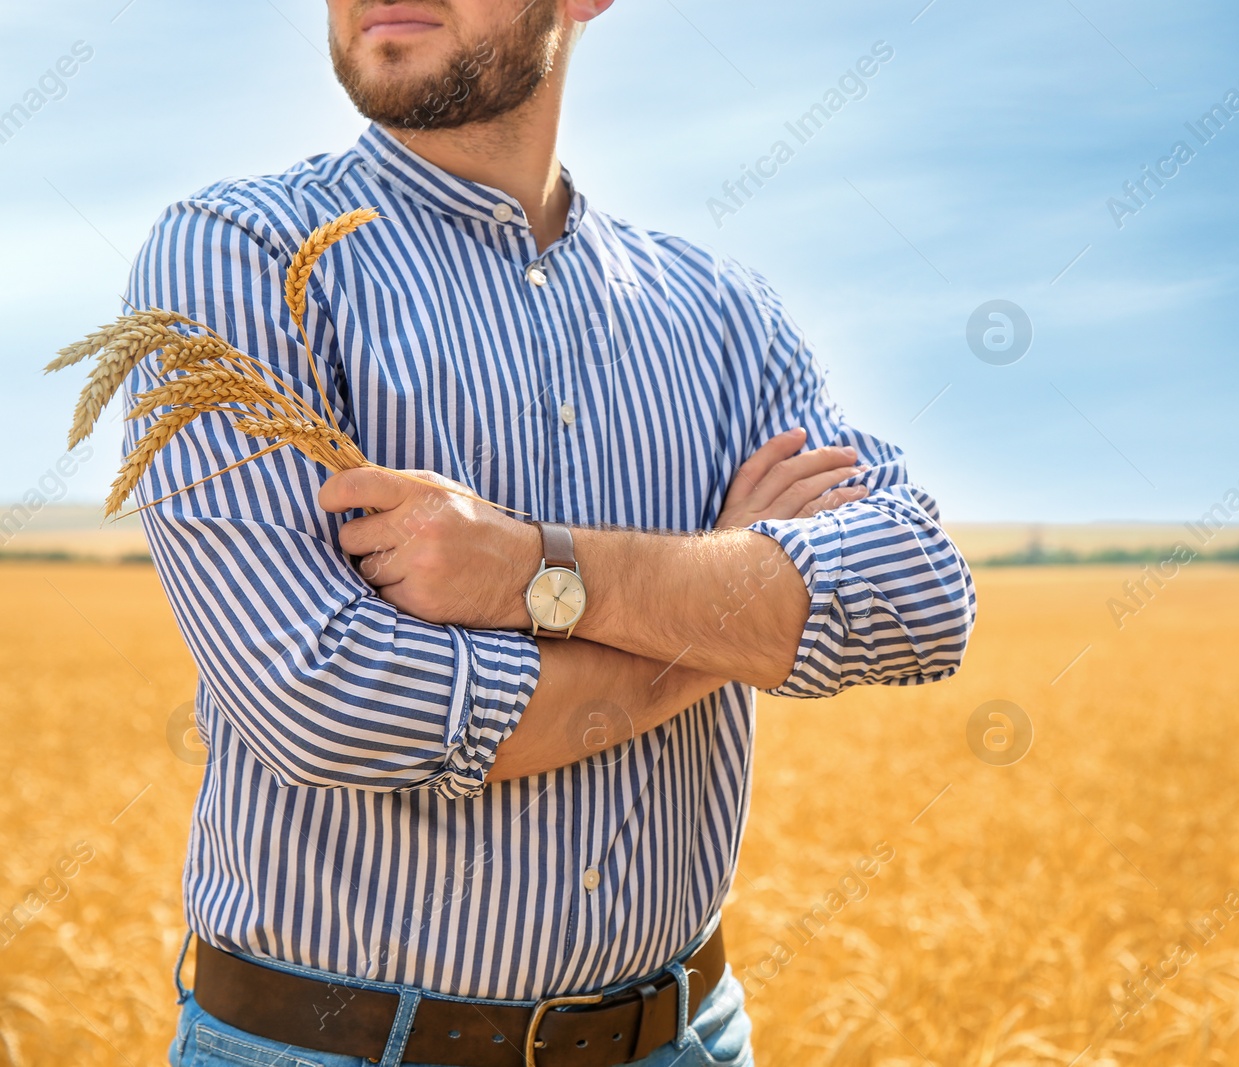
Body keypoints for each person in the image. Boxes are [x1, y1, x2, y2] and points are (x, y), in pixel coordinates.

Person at [127, 2, 976, 1064]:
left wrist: (533, 568)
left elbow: (919, 598)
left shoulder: (719, 311)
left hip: (683, 1036)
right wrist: (717, 611)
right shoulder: (237, 255)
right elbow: (328, 700)